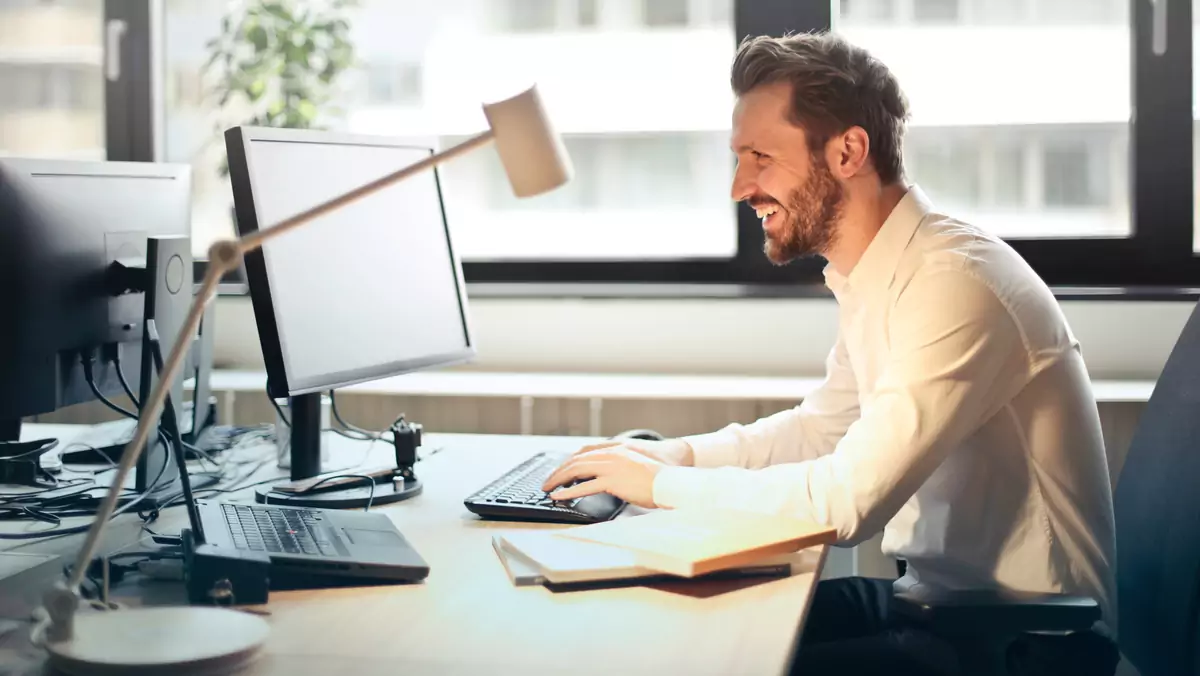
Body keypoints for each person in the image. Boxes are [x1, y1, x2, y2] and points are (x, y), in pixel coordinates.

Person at [543, 32, 1120, 676]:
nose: (740, 186)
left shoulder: (956, 284)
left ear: (848, 151)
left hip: (1023, 643)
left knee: (709, 659)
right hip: (936, 608)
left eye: (761, 156)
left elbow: (847, 502)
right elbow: (823, 430)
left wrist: (660, 486)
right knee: (673, 628)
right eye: (739, 158)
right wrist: (675, 456)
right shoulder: (881, 273)